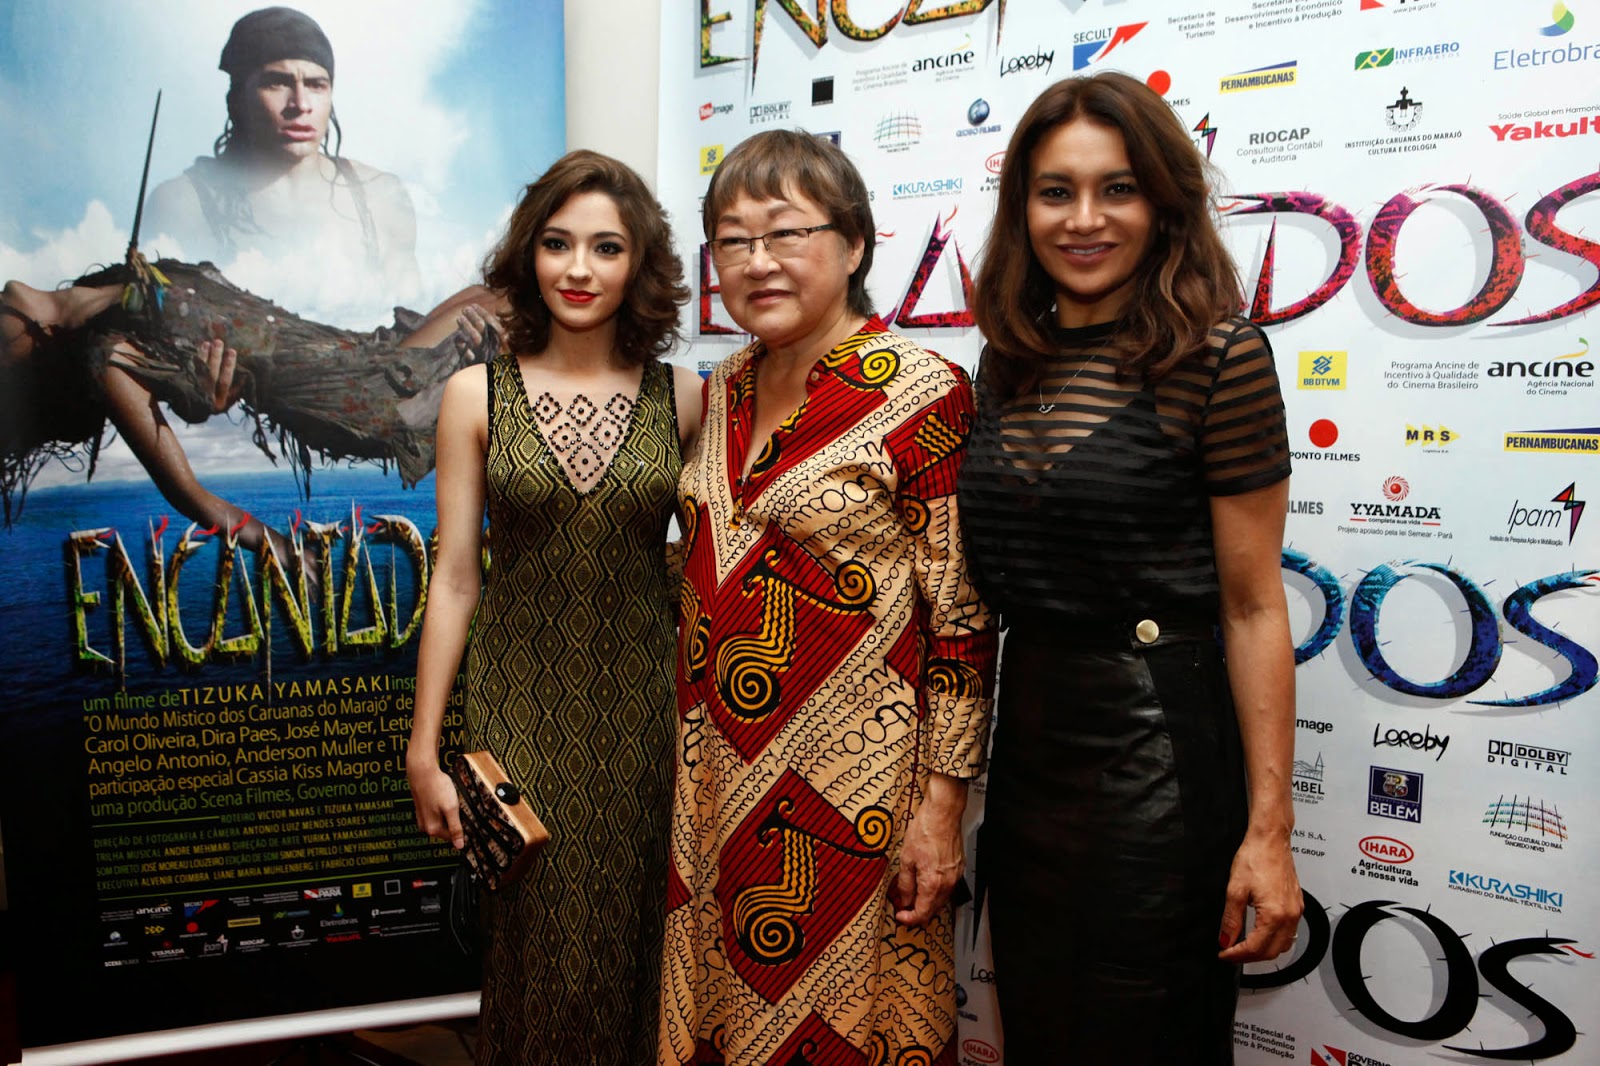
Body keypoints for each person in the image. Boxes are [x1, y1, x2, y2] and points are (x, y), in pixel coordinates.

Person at [958, 71, 1302, 1062]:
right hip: (1029, 757)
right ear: (1022, 209)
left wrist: (1268, 833)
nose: (1084, 218)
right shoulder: (1006, 361)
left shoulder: (1219, 357)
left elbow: (1252, 607)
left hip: (1160, 760)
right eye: (1055, 191)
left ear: (1163, 204)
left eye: (1117, 188)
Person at [660, 129, 998, 1064]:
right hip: (714, 784)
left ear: (853, 244)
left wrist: (941, 809)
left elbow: (962, 620)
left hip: (854, 803)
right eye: (733, 240)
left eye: (785, 232)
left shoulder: (924, 392)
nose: (757, 261)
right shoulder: (723, 387)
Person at [405, 150, 700, 1065]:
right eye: (557, 243)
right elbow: (456, 577)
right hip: (519, 714)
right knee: (533, 953)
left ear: (639, 262)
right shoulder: (474, 393)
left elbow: (702, 567)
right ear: (527, 255)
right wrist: (424, 749)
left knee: (633, 945)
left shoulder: (687, 397)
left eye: (606, 247)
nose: (579, 268)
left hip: (643, 718)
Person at [143, 6, 420, 304]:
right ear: (237, 98)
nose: (300, 104)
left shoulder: (381, 198)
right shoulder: (182, 204)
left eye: (316, 85)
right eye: (277, 83)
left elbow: (414, 315)